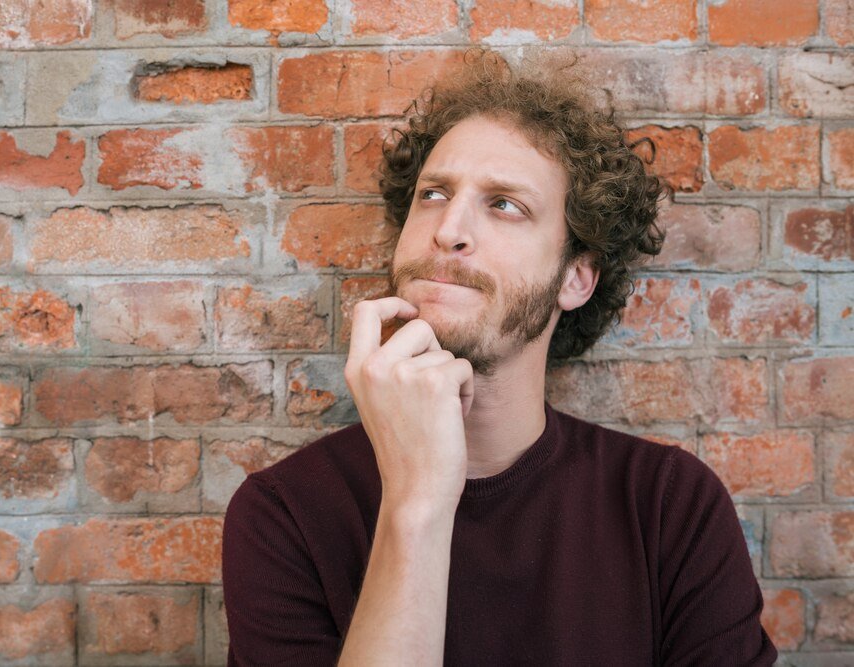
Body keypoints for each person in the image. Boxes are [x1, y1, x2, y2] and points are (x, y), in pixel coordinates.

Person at [222, 52, 777, 665]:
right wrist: (417, 502)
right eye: (433, 194)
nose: (448, 229)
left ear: (576, 279)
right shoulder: (285, 514)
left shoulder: (670, 506)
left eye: (505, 204)